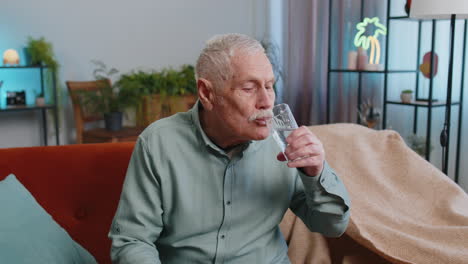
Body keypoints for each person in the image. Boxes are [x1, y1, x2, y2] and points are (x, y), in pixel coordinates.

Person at [109, 33, 350, 264]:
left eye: (269, 85)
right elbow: (132, 240)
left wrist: (315, 174)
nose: (267, 101)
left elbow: (331, 226)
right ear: (207, 93)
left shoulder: (286, 141)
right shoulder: (158, 143)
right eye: (249, 88)